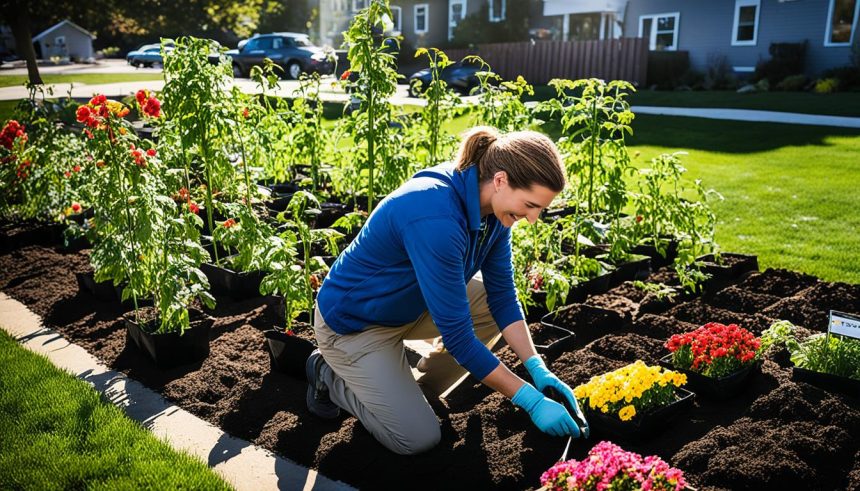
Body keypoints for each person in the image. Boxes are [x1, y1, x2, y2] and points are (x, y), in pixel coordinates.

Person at [306, 126, 589, 455]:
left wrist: (538, 368)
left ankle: (415, 392)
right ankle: (329, 374)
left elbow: (503, 297)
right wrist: (531, 400)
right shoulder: (435, 213)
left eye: (540, 208)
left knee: (485, 301)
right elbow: (459, 338)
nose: (533, 219)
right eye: (530, 205)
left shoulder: (494, 213)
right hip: (355, 325)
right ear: (500, 180)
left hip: (410, 305)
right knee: (417, 439)